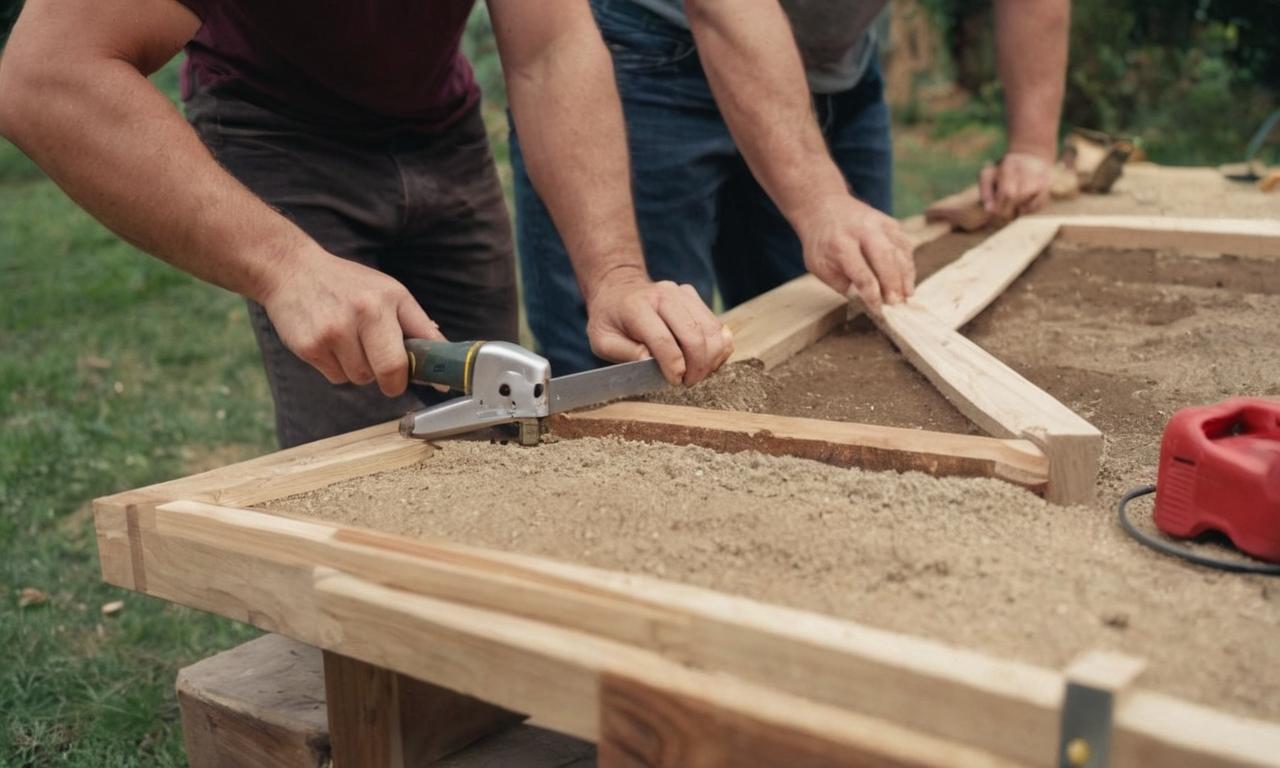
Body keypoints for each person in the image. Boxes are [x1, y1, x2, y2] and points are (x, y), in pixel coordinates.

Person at [0, 0, 733, 448]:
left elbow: (551, 48)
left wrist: (615, 276)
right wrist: (288, 267)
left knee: (493, 428)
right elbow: (47, 78)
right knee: (356, 470)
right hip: (274, 129)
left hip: (438, 123)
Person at [512, 0, 1069, 375]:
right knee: (638, 360)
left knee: (847, 341)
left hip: (835, 68)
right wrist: (820, 198)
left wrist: (1032, 146)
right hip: (643, 55)